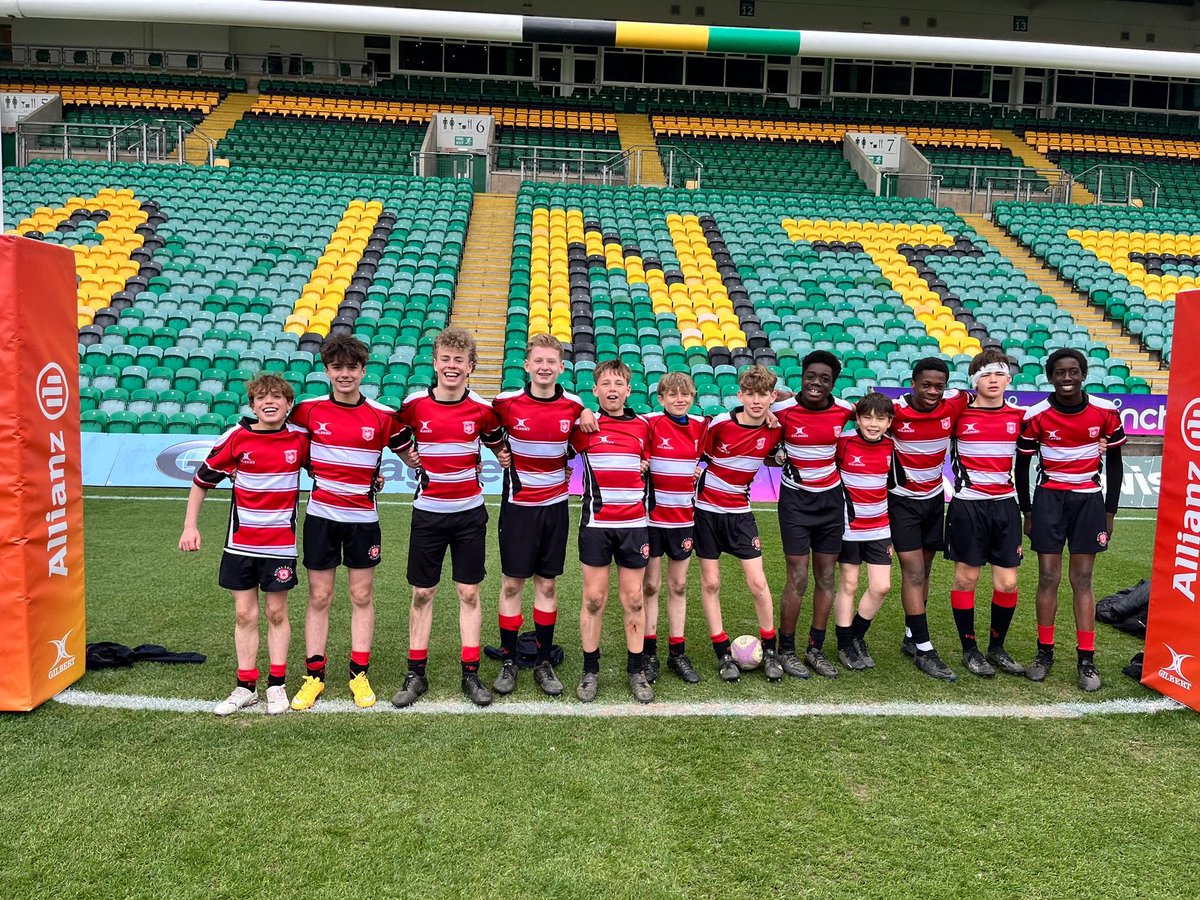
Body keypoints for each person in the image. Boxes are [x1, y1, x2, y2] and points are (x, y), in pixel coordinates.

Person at [288, 335, 410, 711]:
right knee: (319, 596)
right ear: (326, 371)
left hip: (363, 519)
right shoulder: (306, 411)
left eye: (351, 368)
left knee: (361, 595)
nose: (345, 374)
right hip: (321, 517)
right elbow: (281, 441)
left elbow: (415, 456)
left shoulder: (382, 416)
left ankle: (359, 673)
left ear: (363, 370)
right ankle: (314, 676)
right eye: (337, 368)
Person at [179, 374, 310, 716]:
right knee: (244, 613)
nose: (270, 402)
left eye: (277, 397)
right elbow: (201, 482)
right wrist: (190, 526)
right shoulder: (235, 438)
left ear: (288, 404)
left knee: (276, 612)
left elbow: (329, 468)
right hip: (241, 545)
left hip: (281, 545)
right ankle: (246, 686)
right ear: (252, 405)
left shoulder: (300, 440)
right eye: (262, 397)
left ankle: (277, 685)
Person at [391, 327, 508, 708]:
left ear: (471, 366)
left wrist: (504, 457)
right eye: (446, 359)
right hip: (428, 513)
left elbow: (497, 443)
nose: (452, 366)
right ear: (435, 362)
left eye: (459, 360)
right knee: (423, 593)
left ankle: (470, 673)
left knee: (469, 592)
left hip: (470, 513)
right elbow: (391, 433)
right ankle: (416, 673)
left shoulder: (482, 410)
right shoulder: (414, 405)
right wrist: (408, 454)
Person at [1016, 348, 1126, 692]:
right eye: (1061, 372)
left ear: (1084, 374)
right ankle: (1044, 653)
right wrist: (1028, 511)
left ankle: (1086, 659)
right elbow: (1022, 466)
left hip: (1089, 501)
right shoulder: (1036, 415)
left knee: (1083, 578)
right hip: (1049, 499)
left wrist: (1110, 512)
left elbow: (1117, 465)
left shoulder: (1106, 412)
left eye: (1074, 372)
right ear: (1050, 376)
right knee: (1048, 577)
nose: (1067, 378)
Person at [490, 334, 590, 698]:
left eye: (552, 362)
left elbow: (581, 441)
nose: (545, 367)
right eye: (538, 361)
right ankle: (508, 659)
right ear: (527, 365)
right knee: (512, 584)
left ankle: (544, 660)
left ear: (561, 367)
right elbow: (482, 426)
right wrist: (500, 450)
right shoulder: (505, 403)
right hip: (518, 508)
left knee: (547, 585)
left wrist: (586, 412)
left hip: (555, 508)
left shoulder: (574, 406)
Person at [570, 359, 654, 703]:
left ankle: (636, 671)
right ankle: (591, 670)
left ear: (629, 389)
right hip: (596, 526)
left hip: (634, 526)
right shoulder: (585, 427)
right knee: (593, 599)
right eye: (605, 384)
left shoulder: (645, 426)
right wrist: (581, 412)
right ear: (595, 390)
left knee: (634, 599)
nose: (612, 389)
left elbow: (649, 460)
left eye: (618, 383)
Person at [693, 365, 785, 683]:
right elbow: (697, 458)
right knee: (711, 583)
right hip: (705, 513)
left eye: (763, 395)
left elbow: (794, 401)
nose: (757, 401)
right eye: (751, 394)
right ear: (740, 395)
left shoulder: (776, 428)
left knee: (758, 584)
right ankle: (722, 653)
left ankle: (771, 651)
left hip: (740, 513)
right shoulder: (720, 425)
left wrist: (776, 409)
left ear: (772, 396)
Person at [771, 350, 855, 680]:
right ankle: (786, 649)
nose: (816, 383)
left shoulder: (846, 409)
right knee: (798, 576)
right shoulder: (783, 410)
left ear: (833, 383)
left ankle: (815, 649)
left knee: (827, 577)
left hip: (831, 502)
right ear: (801, 377)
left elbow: (879, 417)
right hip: (795, 502)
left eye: (824, 379)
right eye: (811, 377)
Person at [945, 349, 1027, 678]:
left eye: (998, 374)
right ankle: (970, 649)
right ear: (974, 381)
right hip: (968, 505)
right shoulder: (958, 416)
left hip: (1006, 505)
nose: (992, 380)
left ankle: (996, 647)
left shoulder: (1021, 416)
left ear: (1009, 379)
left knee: (1007, 583)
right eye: (984, 375)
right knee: (967, 578)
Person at [890, 356, 969, 682]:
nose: (933, 391)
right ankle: (924, 648)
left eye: (939, 386)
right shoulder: (894, 410)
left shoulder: (956, 403)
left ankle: (911, 636)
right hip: (901, 501)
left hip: (935, 499)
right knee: (914, 572)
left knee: (926, 570)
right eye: (926, 385)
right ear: (913, 384)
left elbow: (983, 399)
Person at [642, 372, 709, 685]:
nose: (679, 400)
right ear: (661, 398)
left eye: (685, 395)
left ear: (693, 397)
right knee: (651, 585)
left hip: (684, 520)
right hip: (652, 520)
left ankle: (677, 652)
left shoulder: (701, 427)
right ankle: (648, 651)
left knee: (678, 585)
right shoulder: (649, 423)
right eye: (672, 395)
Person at [833, 392, 901, 671]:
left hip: (880, 526)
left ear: (889, 422)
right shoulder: (844, 443)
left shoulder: (892, 446)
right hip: (849, 527)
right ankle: (844, 644)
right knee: (849, 584)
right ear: (857, 418)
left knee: (881, 586)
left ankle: (857, 635)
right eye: (868, 417)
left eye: (881, 418)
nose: (874, 424)